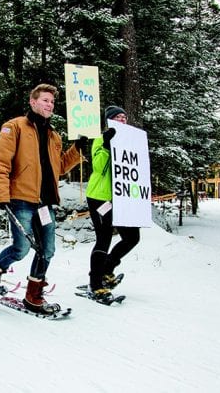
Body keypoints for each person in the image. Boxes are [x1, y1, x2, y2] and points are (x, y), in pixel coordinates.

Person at [0, 83, 88, 314]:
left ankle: (33, 295)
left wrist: (77, 148)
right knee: (20, 249)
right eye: (45, 100)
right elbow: (0, 164)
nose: (50, 105)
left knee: (47, 250)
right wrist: (1, 195)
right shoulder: (14, 127)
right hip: (21, 198)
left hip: (45, 202)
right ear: (33, 101)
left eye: (52, 101)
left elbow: (58, 167)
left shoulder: (53, 136)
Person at [85, 105, 140, 300]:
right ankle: (95, 282)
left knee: (132, 237)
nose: (122, 121)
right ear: (110, 121)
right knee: (104, 238)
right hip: (100, 197)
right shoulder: (101, 139)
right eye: (118, 118)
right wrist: (107, 146)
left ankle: (107, 268)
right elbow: (99, 168)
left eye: (124, 118)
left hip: (122, 198)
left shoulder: (130, 142)